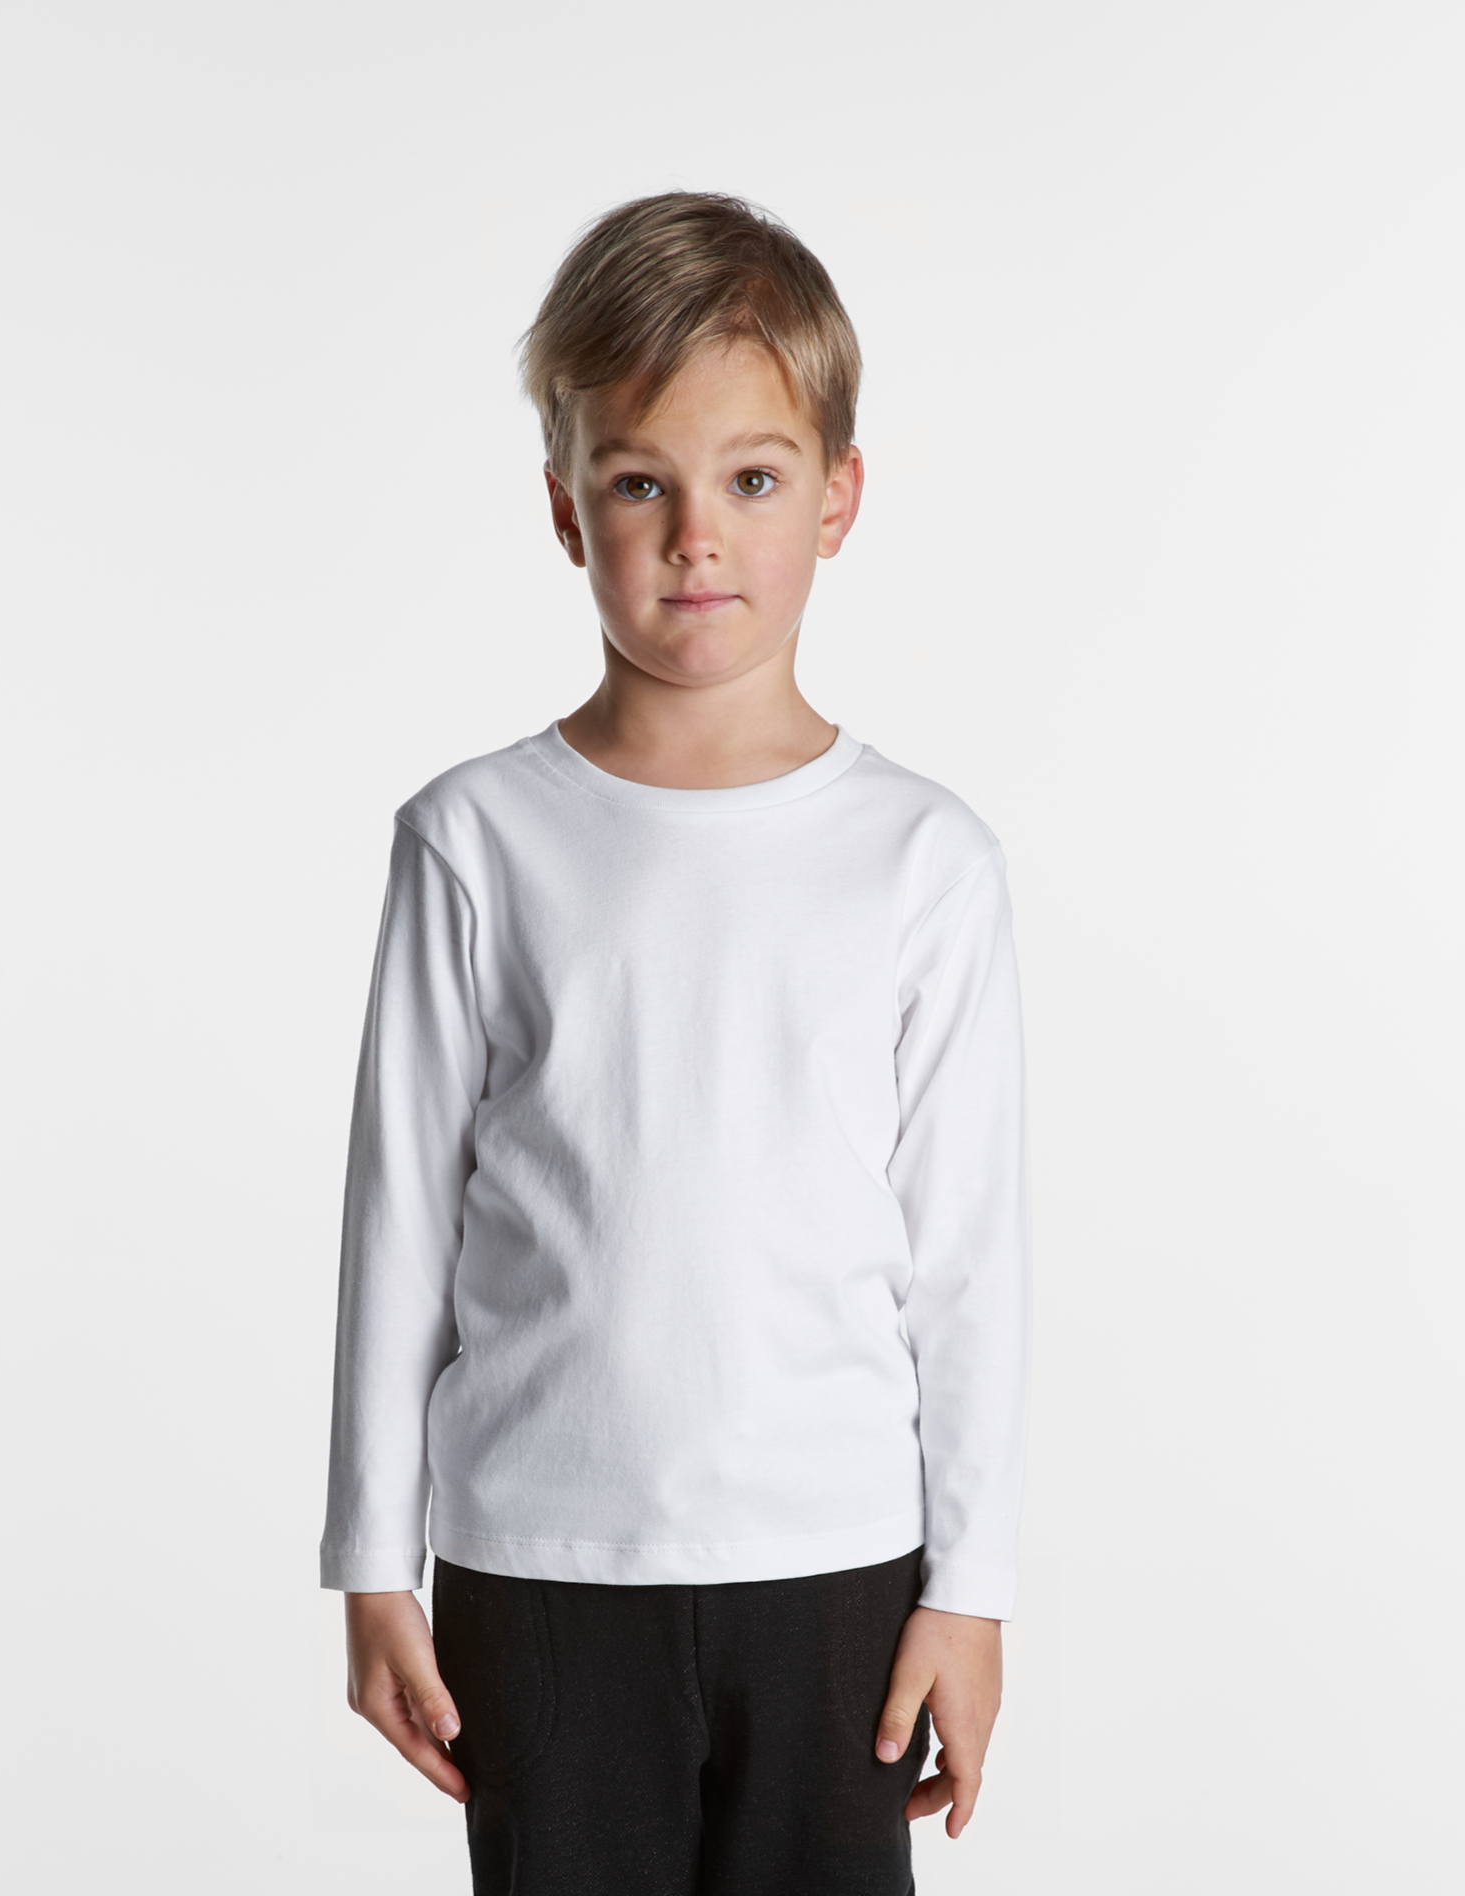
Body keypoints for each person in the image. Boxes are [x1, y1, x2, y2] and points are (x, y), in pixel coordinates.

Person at [320, 191, 1031, 1895]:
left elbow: (968, 1257)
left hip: (838, 1568)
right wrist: (371, 1560)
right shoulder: (474, 841)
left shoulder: (923, 859)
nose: (697, 536)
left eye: (753, 480)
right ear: (567, 509)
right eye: (641, 483)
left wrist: (973, 1587)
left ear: (839, 496)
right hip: (543, 1573)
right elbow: (398, 1219)